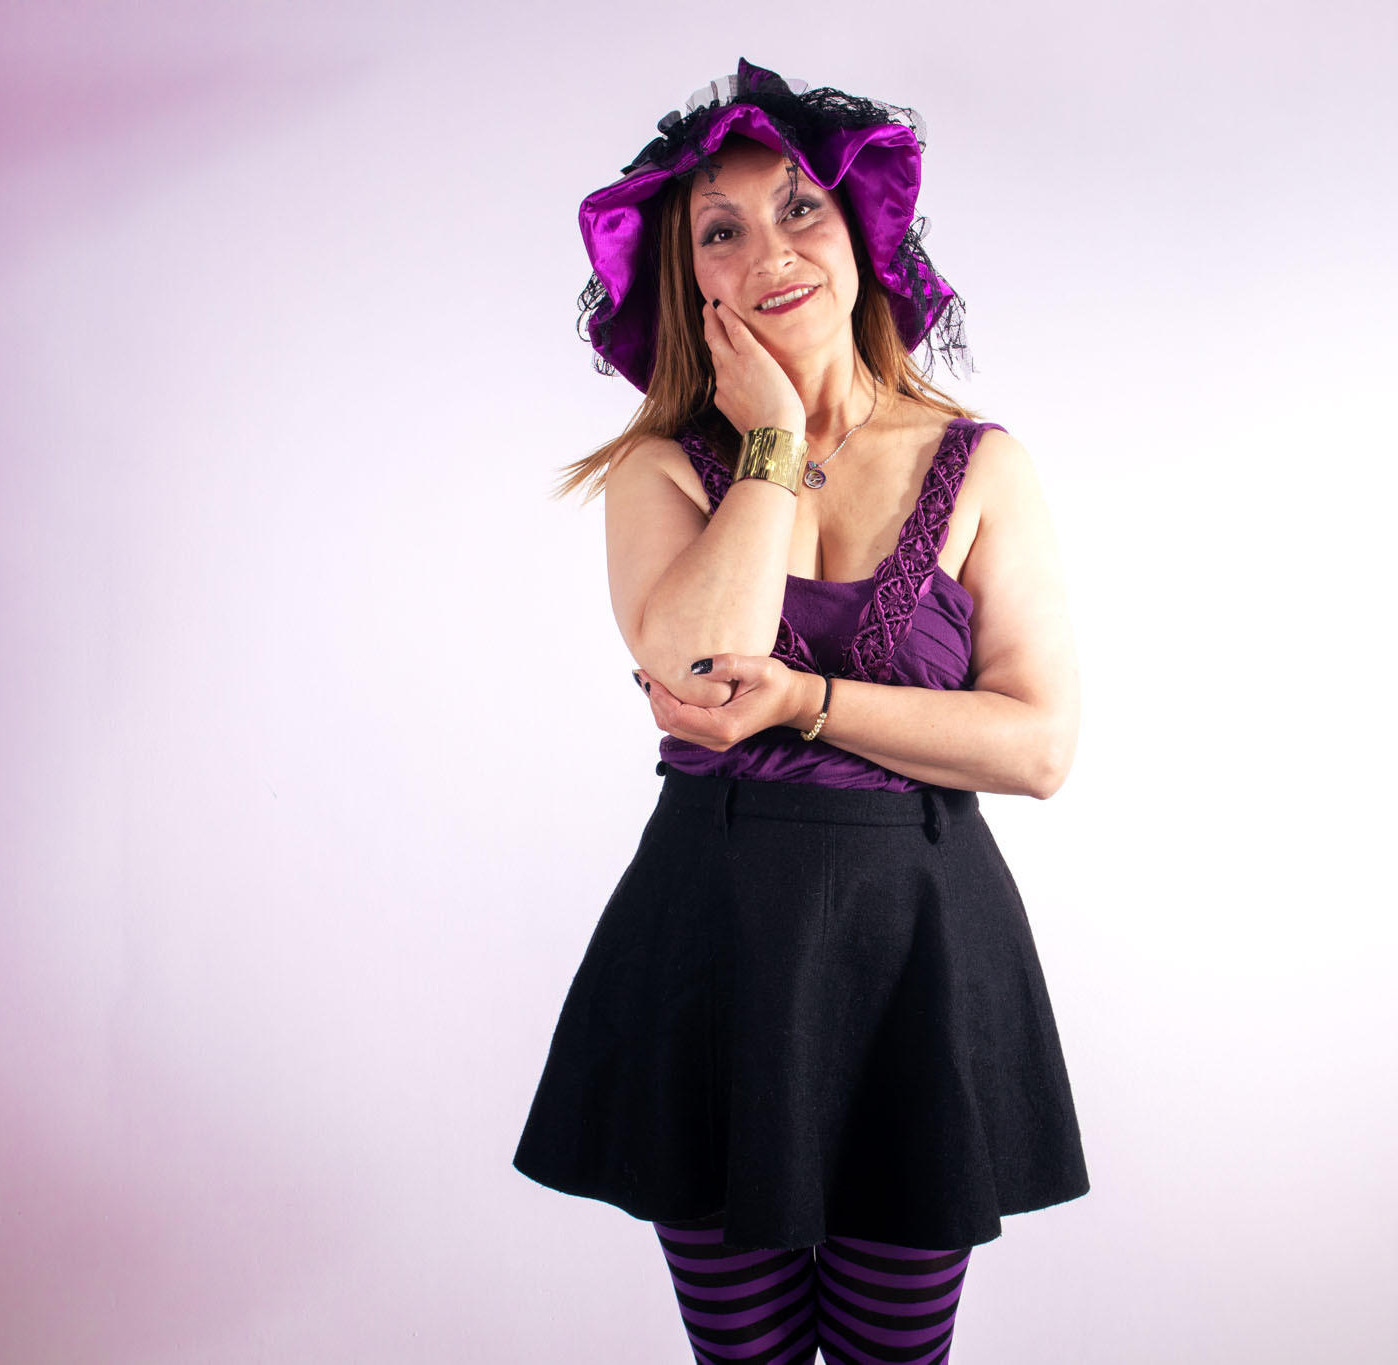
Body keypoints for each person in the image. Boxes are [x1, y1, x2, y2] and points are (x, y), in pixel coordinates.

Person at [515, 58, 1088, 1363]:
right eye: (720, 231)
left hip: (916, 958)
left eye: (799, 209)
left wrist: (807, 701)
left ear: (859, 234)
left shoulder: (980, 464)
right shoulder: (660, 471)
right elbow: (697, 665)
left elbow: (1039, 746)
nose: (769, 251)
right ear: (690, 283)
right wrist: (770, 442)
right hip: (712, 952)